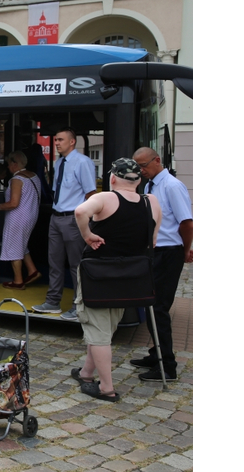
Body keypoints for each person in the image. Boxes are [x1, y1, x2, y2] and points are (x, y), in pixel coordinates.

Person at [71, 158, 161, 402]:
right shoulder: (150, 202)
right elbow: (152, 240)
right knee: (104, 328)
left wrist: (88, 234)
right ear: (138, 180)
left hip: (99, 274)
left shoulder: (106, 198)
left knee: (98, 330)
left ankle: (106, 388)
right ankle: (87, 373)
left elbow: (80, 211)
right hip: (130, 276)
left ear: (112, 178)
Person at [130, 147, 193, 382]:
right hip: (155, 252)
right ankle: (155, 353)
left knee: (159, 308)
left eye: (144, 165)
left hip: (169, 252)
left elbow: (187, 223)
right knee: (150, 305)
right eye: (138, 167)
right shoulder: (149, 186)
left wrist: (184, 250)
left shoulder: (171, 186)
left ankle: (168, 366)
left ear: (157, 160)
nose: (141, 170)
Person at [32, 128, 96, 319]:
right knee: (55, 261)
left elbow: (90, 194)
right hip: (56, 217)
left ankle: (79, 305)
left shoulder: (83, 163)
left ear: (72, 142)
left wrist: (85, 220)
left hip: (73, 218)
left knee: (76, 264)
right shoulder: (59, 162)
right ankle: (53, 302)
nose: (57, 143)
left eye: (60, 140)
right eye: (56, 140)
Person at [0, 151, 42, 289]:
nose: (7, 167)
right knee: (21, 244)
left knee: (13, 248)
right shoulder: (33, 176)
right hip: (31, 215)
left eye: (8, 164)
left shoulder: (17, 180)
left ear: (14, 164)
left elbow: (13, 203)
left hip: (18, 217)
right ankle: (32, 271)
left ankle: (18, 281)